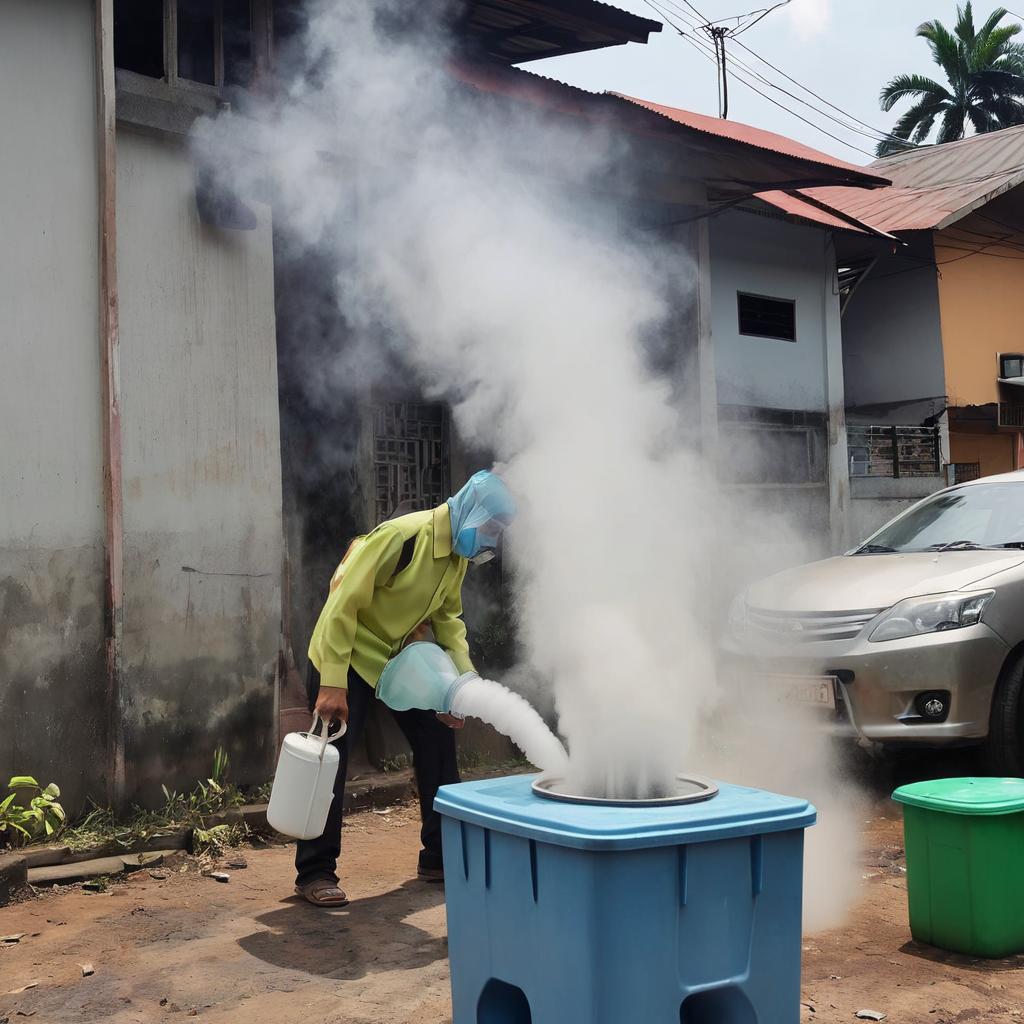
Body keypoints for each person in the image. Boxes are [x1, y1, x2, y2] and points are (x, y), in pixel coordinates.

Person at [294, 470, 516, 907]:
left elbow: (449, 621)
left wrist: (463, 686)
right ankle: (315, 872)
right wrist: (333, 682)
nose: (491, 538)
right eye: (490, 526)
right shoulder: (401, 536)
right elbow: (342, 604)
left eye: (498, 532)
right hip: (346, 655)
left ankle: (438, 857)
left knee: (437, 737)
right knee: (330, 762)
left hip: (393, 662)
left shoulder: (456, 560)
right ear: (472, 509)